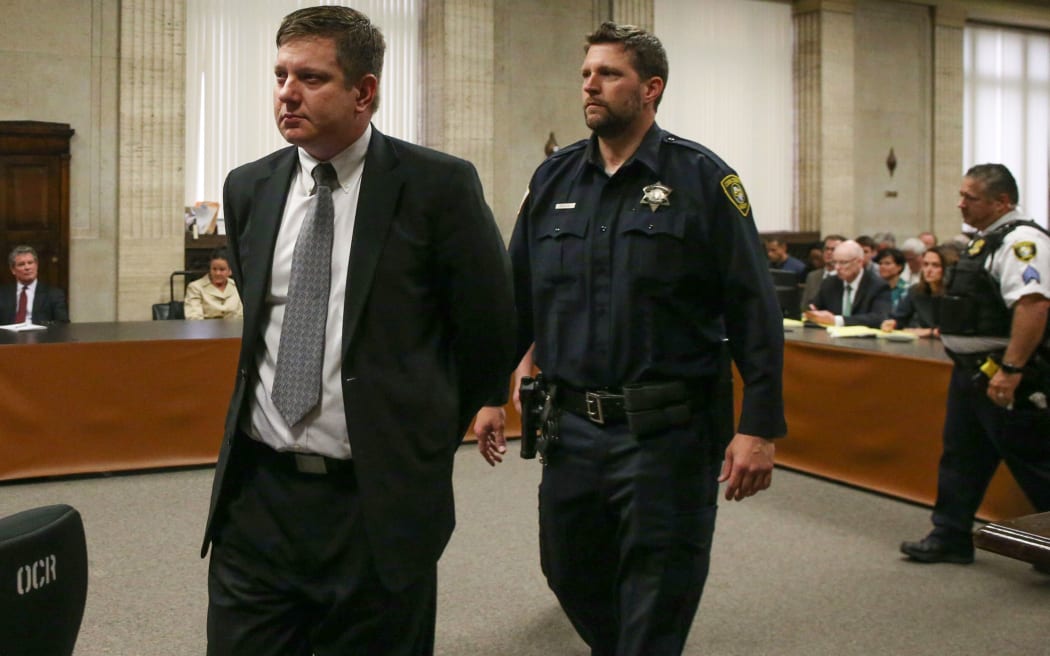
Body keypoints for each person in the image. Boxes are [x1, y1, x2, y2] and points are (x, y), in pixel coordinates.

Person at [200, 7, 515, 655]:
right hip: (258, 498)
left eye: (311, 78)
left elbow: (488, 329)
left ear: (364, 92)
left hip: (374, 505)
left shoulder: (438, 186)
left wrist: (420, 441)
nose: (287, 93)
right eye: (281, 76)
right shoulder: (249, 187)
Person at [474, 22, 785, 656]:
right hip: (572, 429)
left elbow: (754, 308)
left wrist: (758, 425)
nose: (590, 85)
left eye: (609, 73)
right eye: (586, 73)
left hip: (667, 432)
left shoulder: (702, 179)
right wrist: (487, 394)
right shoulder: (554, 179)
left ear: (651, 88)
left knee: (657, 593)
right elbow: (518, 301)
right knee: (568, 569)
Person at [901, 163, 1050, 565]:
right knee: (962, 456)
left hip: (1007, 373)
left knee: (1035, 461)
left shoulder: (1022, 242)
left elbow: (1033, 306)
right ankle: (950, 535)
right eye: (961, 195)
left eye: (971, 197)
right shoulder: (983, 241)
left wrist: (1012, 370)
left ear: (1002, 201)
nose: (961, 204)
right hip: (972, 373)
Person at [804, 239, 892, 328]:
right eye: (835, 262)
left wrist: (837, 320)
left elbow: (879, 317)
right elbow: (814, 306)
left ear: (859, 262)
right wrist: (813, 312)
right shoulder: (830, 283)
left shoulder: (877, 285)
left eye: (843, 263)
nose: (837, 267)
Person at [881, 245, 959, 338]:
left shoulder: (955, 295)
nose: (928, 270)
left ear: (948, 269)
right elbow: (899, 317)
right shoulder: (915, 291)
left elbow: (954, 329)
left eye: (935, 265)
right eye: (925, 264)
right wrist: (893, 323)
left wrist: (930, 332)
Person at [0, 245, 69, 325]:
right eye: (21, 264)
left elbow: (63, 324)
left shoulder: (54, 294)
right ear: (13, 270)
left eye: (30, 263)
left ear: (37, 266)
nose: (27, 267)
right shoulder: (2, 294)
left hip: (41, 332)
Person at [184, 249, 243, 320]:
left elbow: (242, 315)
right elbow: (193, 318)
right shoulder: (195, 287)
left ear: (230, 271)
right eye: (214, 269)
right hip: (205, 326)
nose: (217, 273)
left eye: (222, 269)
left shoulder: (238, 286)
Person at [800, 233, 845, 311]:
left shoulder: (845, 276)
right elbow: (804, 306)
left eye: (833, 249)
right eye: (826, 249)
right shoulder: (812, 276)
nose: (829, 252)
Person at [875, 247, 909, 311]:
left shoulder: (907, 290)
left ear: (899, 267)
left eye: (887, 263)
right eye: (880, 263)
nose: (882, 266)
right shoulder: (874, 288)